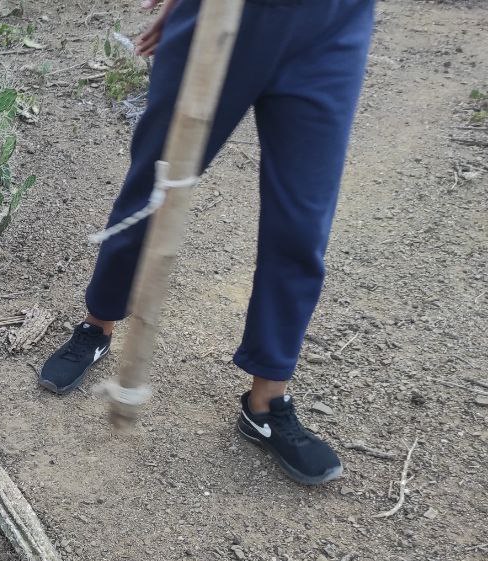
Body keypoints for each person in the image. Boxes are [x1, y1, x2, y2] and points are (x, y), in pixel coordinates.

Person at [38, 0, 375, 486]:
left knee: (301, 226)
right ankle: (98, 327)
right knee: (153, 190)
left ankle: (266, 403)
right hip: (224, 17)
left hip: (331, 28)